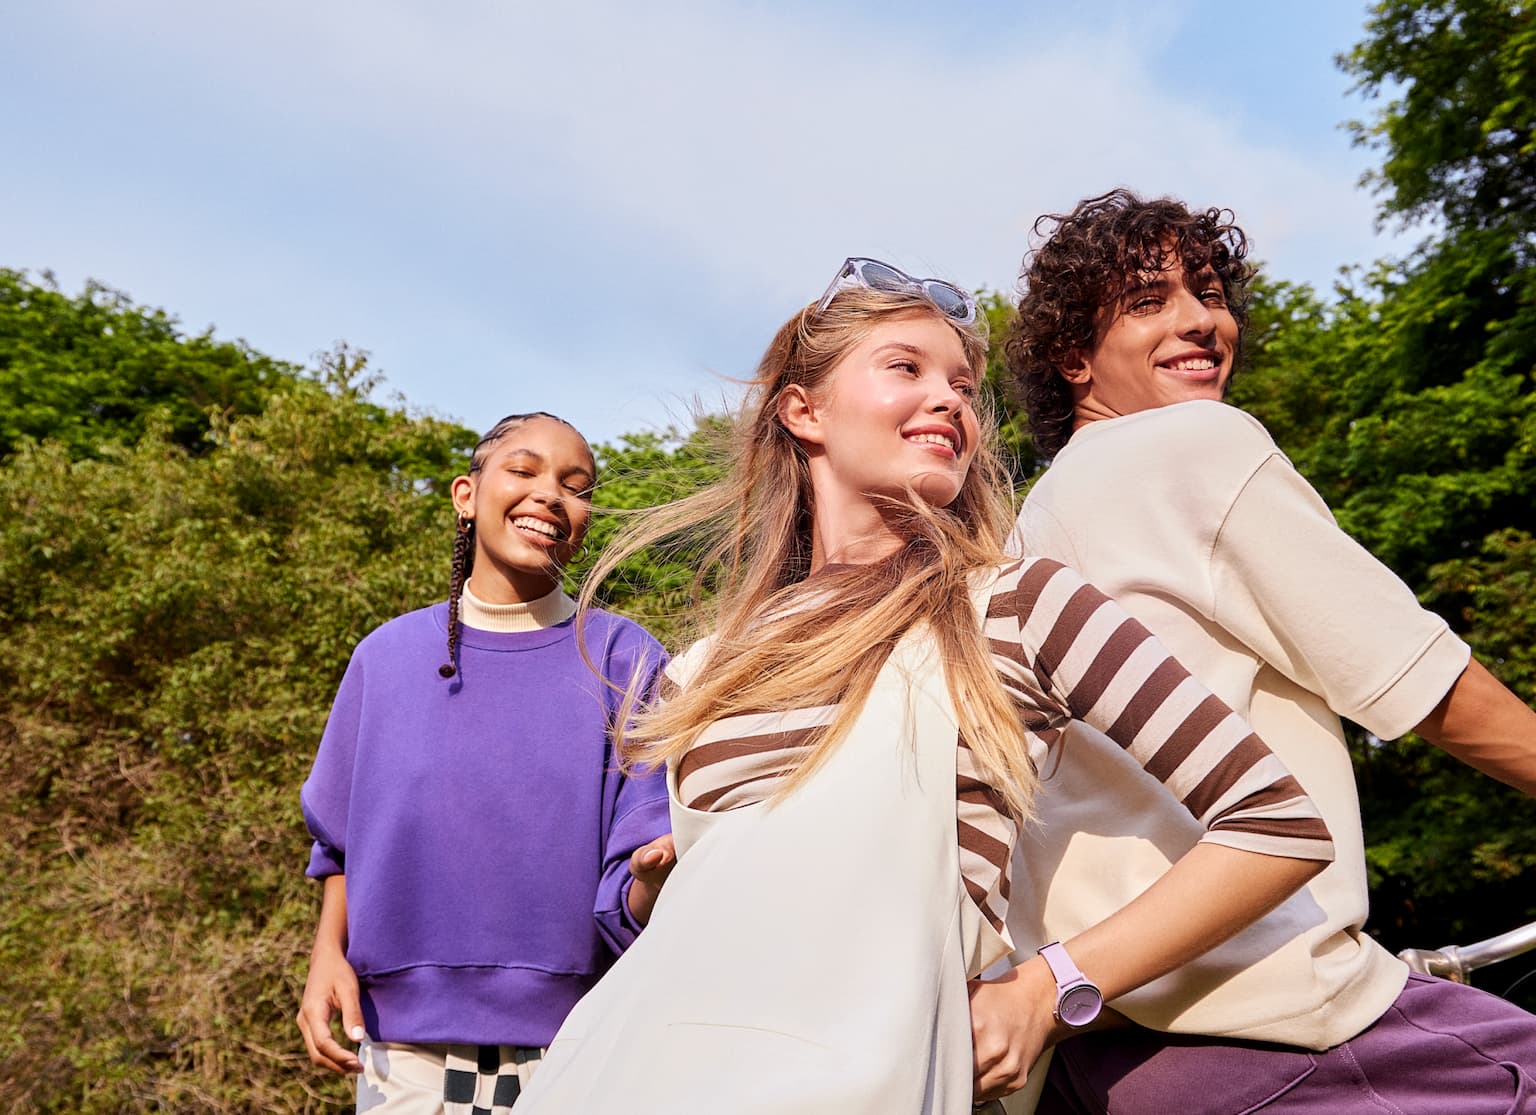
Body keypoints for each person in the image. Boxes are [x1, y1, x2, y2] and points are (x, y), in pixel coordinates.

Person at [516, 258, 1337, 1114]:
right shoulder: (701, 671)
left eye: (963, 387)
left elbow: (1278, 823)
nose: (949, 400)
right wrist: (658, 890)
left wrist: (1047, 987)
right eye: (906, 367)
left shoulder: (1018, 606)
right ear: (804, 411)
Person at [991, 187, 1536, 1113]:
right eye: (1149, 301)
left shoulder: (1029, 526)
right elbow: (1417, 678)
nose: (1201, 320)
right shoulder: (1191, 445)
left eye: (1210, 293)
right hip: (1278, 1024)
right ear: (1073, 358)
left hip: (1107, 1054)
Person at [296, 412, 675, 1114]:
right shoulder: (385, 658)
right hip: (398, 1048)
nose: (550, 495)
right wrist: (328, 955)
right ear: (465, 495)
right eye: (524, 471)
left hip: (579, 1045)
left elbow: (641, 864)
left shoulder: (627, 659)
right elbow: (340, 842)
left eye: (576, 486)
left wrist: (655, 879)